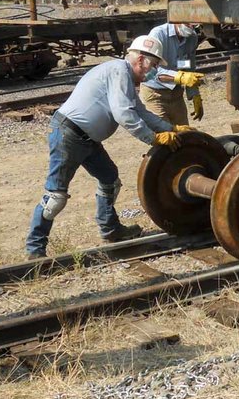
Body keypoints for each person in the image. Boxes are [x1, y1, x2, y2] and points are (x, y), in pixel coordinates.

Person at [24, 35, 201, 259]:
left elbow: (141, 112)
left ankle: (111, 230)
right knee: (55, 197)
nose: (152, 73)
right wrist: (154, 139)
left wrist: (172, 128)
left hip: (85, 138)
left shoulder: (123, 75)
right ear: (140, 61)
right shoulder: (119, 71)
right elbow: (124, 115)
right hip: (69, 135)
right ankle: (35, 249)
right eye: (153, 66)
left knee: (110, 179)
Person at [140, 22, 204, 125]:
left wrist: (195, 94)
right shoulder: (158, 34)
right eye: (188, 24)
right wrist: (180, 77)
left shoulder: (192, 37)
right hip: (155, 94)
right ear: (176, 19)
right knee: (164, 134)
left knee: (184, 135)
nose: (192, 27)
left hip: (176, 94)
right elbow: (150, 71)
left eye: (194, 25)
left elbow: (188, 66)